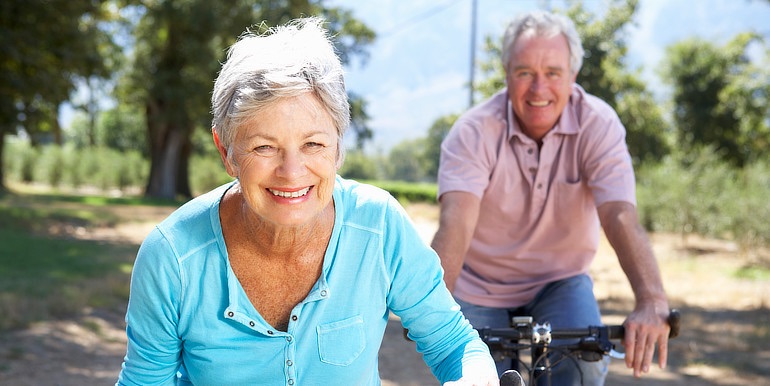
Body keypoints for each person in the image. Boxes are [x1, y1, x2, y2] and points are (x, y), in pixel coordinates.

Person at [116, 17, 498, 386]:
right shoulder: (172, 257)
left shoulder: (379, 225)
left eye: (313, 144)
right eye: (264, 147)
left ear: (337, 147)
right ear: (226, 151)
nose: (292, 172)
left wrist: (475, 378)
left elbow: (454, 343)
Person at [431, 10, 671, 386]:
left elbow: (619, 214)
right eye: (525, 72)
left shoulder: (599, 124)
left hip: (559, 281)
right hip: (479, 283)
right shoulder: (474, 131)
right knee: (474, 377)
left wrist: (651, 300)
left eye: (553, 73)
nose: (538, 89)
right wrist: (434, 304)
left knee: (586, 364)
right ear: (507, 73)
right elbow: (456, 220)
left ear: (573, 76)